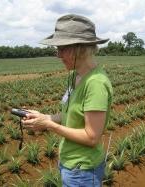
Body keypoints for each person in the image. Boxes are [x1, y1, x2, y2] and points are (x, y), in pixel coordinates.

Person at [22, 14, 113, 187]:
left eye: (62, 49)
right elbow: (69, 114)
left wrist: (49, 125)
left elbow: (91, 137)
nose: (58, 55)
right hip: (70, 162)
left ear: (79, 48)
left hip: (83, 170)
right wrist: (45, 117)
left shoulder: (96, 84)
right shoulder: (75, 75)